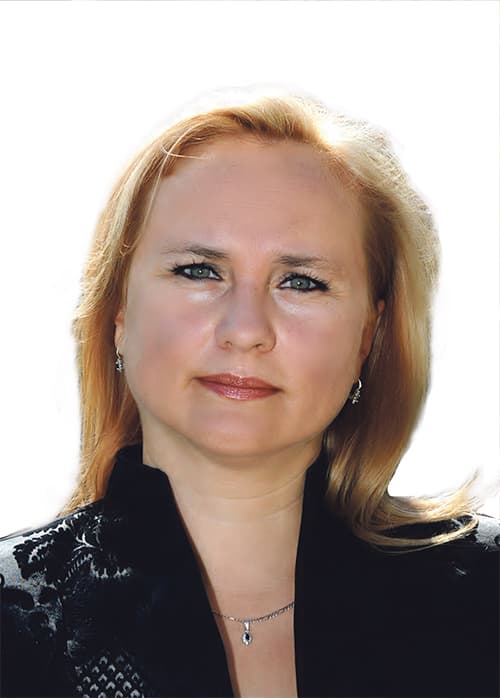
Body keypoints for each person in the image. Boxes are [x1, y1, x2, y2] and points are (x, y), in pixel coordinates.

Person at [0, 85, 498, 698]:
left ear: (368, 336)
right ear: (119, 314)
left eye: (301, 281)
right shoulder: (13, 621)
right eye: (198, 271)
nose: (245, 330)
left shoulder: (486, 597)